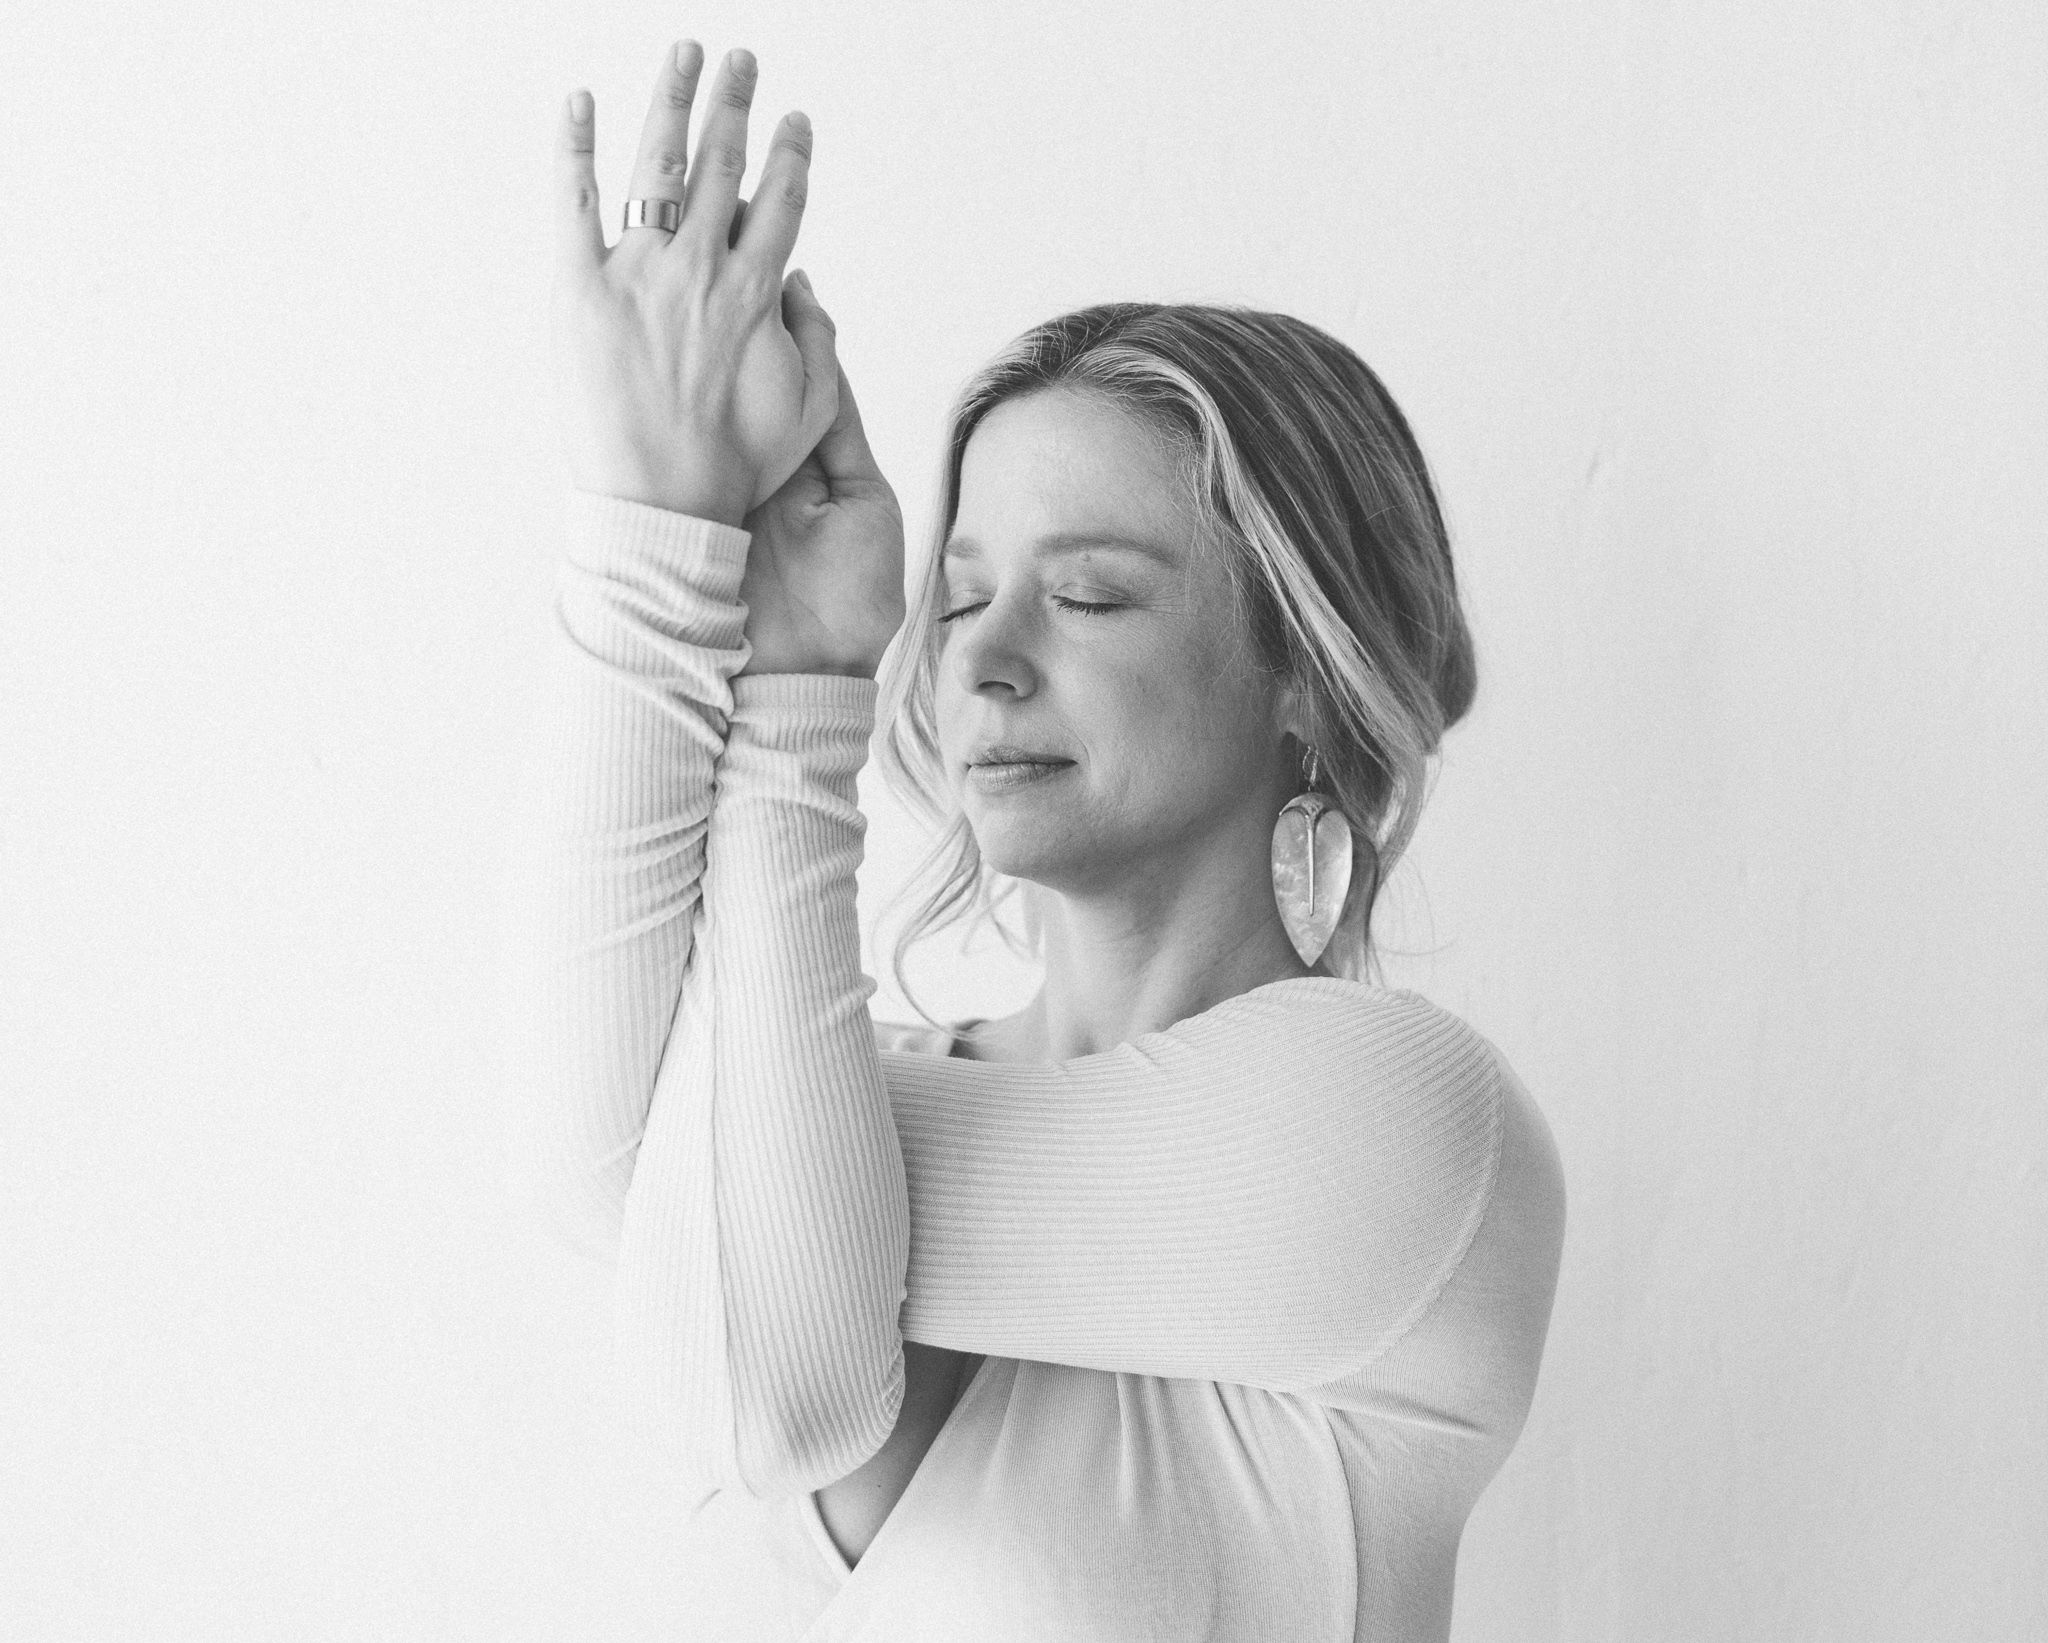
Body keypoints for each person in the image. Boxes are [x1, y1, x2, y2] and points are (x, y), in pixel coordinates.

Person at [511, 38, 1566, 1643]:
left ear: (1305, 666)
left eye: (1087, 596)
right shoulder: (854, 1084)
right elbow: (629, 1183)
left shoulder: (1405, 1134)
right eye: (957, 592)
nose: (981, 657)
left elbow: (759, 1335)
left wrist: (795, 708)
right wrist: (655, 504)